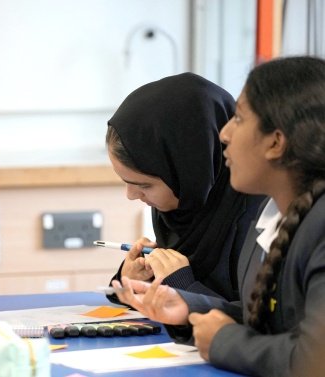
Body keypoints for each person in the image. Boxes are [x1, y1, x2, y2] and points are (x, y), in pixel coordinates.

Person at [113, 56, 325, 377]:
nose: (223, 133)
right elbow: (265, 320)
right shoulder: (274, 219)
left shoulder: (317, 228)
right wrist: (187, 307)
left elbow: (314, 360)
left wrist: (224, 341)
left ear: (275, 142)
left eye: (239, 118)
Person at [106, 73, 265, 304]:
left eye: (144, 185)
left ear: (191, 171)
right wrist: (129, 281)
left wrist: (184, 286)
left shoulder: (262, 218)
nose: (131, 196)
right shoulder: (178, 210)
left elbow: (261, 325)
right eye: (125, 182)